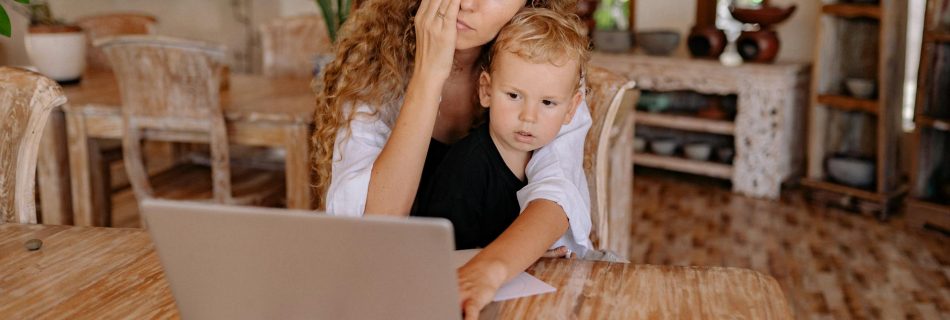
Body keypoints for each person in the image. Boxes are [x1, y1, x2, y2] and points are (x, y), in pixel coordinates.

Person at [311, 0, 590, 318]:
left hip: (502, 283)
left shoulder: (547, 69)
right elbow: (375, 224)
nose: (467, 4)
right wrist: (429, 75)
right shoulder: (372, 70)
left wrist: (490, 269)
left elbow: (557, 197)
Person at [411, 8, 588, 253]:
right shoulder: (466, 170)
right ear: (486, 91)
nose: (528, 116)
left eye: (547, 103)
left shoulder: (548, 160)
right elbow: (440, 257)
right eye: (514, 96)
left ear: (571, 109)